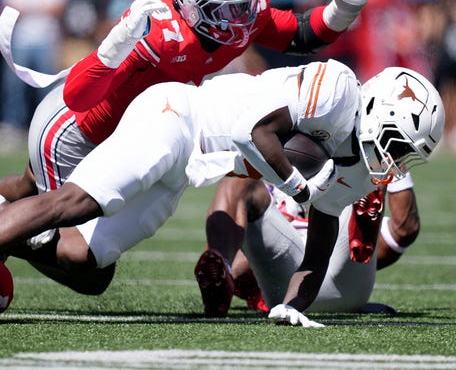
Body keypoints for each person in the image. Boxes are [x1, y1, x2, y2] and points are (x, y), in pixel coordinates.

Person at [0, 0, 384, 293]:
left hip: (124, 132)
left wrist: (342, 10)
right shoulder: (157, 27)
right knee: (79, 259)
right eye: (224, 10)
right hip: (78, 132)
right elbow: (78, 95)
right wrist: (112, 48)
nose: (239, 20)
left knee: (29, 196)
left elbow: (297, 33)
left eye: (241, 6)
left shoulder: (236, 10)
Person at [0, 60, 359, 310]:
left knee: (86, 264)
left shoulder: (353, 152)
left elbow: (319, 247)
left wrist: (293, 307)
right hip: (177, 118)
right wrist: (299, 186)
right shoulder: (335, 92)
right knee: (76, 203)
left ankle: (10, 219)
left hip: (186, 166)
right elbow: (249, 133)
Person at [193, 66, 444, 324]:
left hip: (323, 278)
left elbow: (397, 233)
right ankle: (222, 267)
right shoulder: (310, 113)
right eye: (399, 148)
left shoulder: (352, 159)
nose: (398, 162)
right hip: (293, 281)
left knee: (367, 174)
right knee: (243, 179)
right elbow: (403, 230)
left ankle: (223, 265)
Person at [195, 170, 417, 317]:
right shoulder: (258, 154)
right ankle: (217, 298)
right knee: (239, 178)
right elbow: (235, 272)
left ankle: (383, 148)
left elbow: (401, 232)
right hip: (285, 288)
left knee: (369, 163)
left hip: (340, 281)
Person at [0, 0, 69, 136]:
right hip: (20, 39)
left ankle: (46, 124)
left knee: (47, 84)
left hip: (46, 38)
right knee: (14, 85)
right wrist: (40, 8)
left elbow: (57, 8)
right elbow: (10, 8)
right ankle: (13, 124)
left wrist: (28, 8)